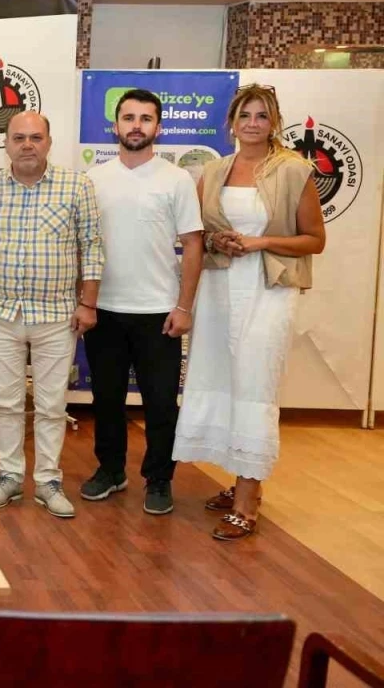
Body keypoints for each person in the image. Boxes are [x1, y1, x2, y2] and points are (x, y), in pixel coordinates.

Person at [173, 83, 325, 541]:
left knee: (255, 385)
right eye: (245, 115)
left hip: (268, 290)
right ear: (232, 123)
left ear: (274, 121)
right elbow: (198, 233)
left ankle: (247, 498)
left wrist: (260, 241)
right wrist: (217, 239)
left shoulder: (294, 170)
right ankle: (238, 479)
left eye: (261, 115)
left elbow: (314, 240)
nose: (253, 123)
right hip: (219, 289)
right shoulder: (214, 170)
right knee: (220, 380)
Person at [0, 111, 104, 520]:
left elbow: (92, 246)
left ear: (49, 142)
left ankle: (47, 481)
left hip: (58, 314)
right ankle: (9, 476)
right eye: (19, 137)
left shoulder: (77, 185)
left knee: (51, 404)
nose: (27, 145)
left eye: (36, 137)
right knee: (7, 403)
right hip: (1, 313)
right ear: (6, 143)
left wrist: (88, 303)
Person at [82, 88, 203, 515]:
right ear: (114, 125)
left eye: (145, 118)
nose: (136, 125)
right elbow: (81, 244)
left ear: (159, 127)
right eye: (129, 117)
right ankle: (110, 470)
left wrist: (184, 307)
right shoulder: (93, 179)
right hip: (104, 309)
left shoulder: (177, 179)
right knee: (106, 400)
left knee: (160, 403)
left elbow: (193, 244)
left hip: (159, 312)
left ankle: (159, 479)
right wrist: (84, 301)